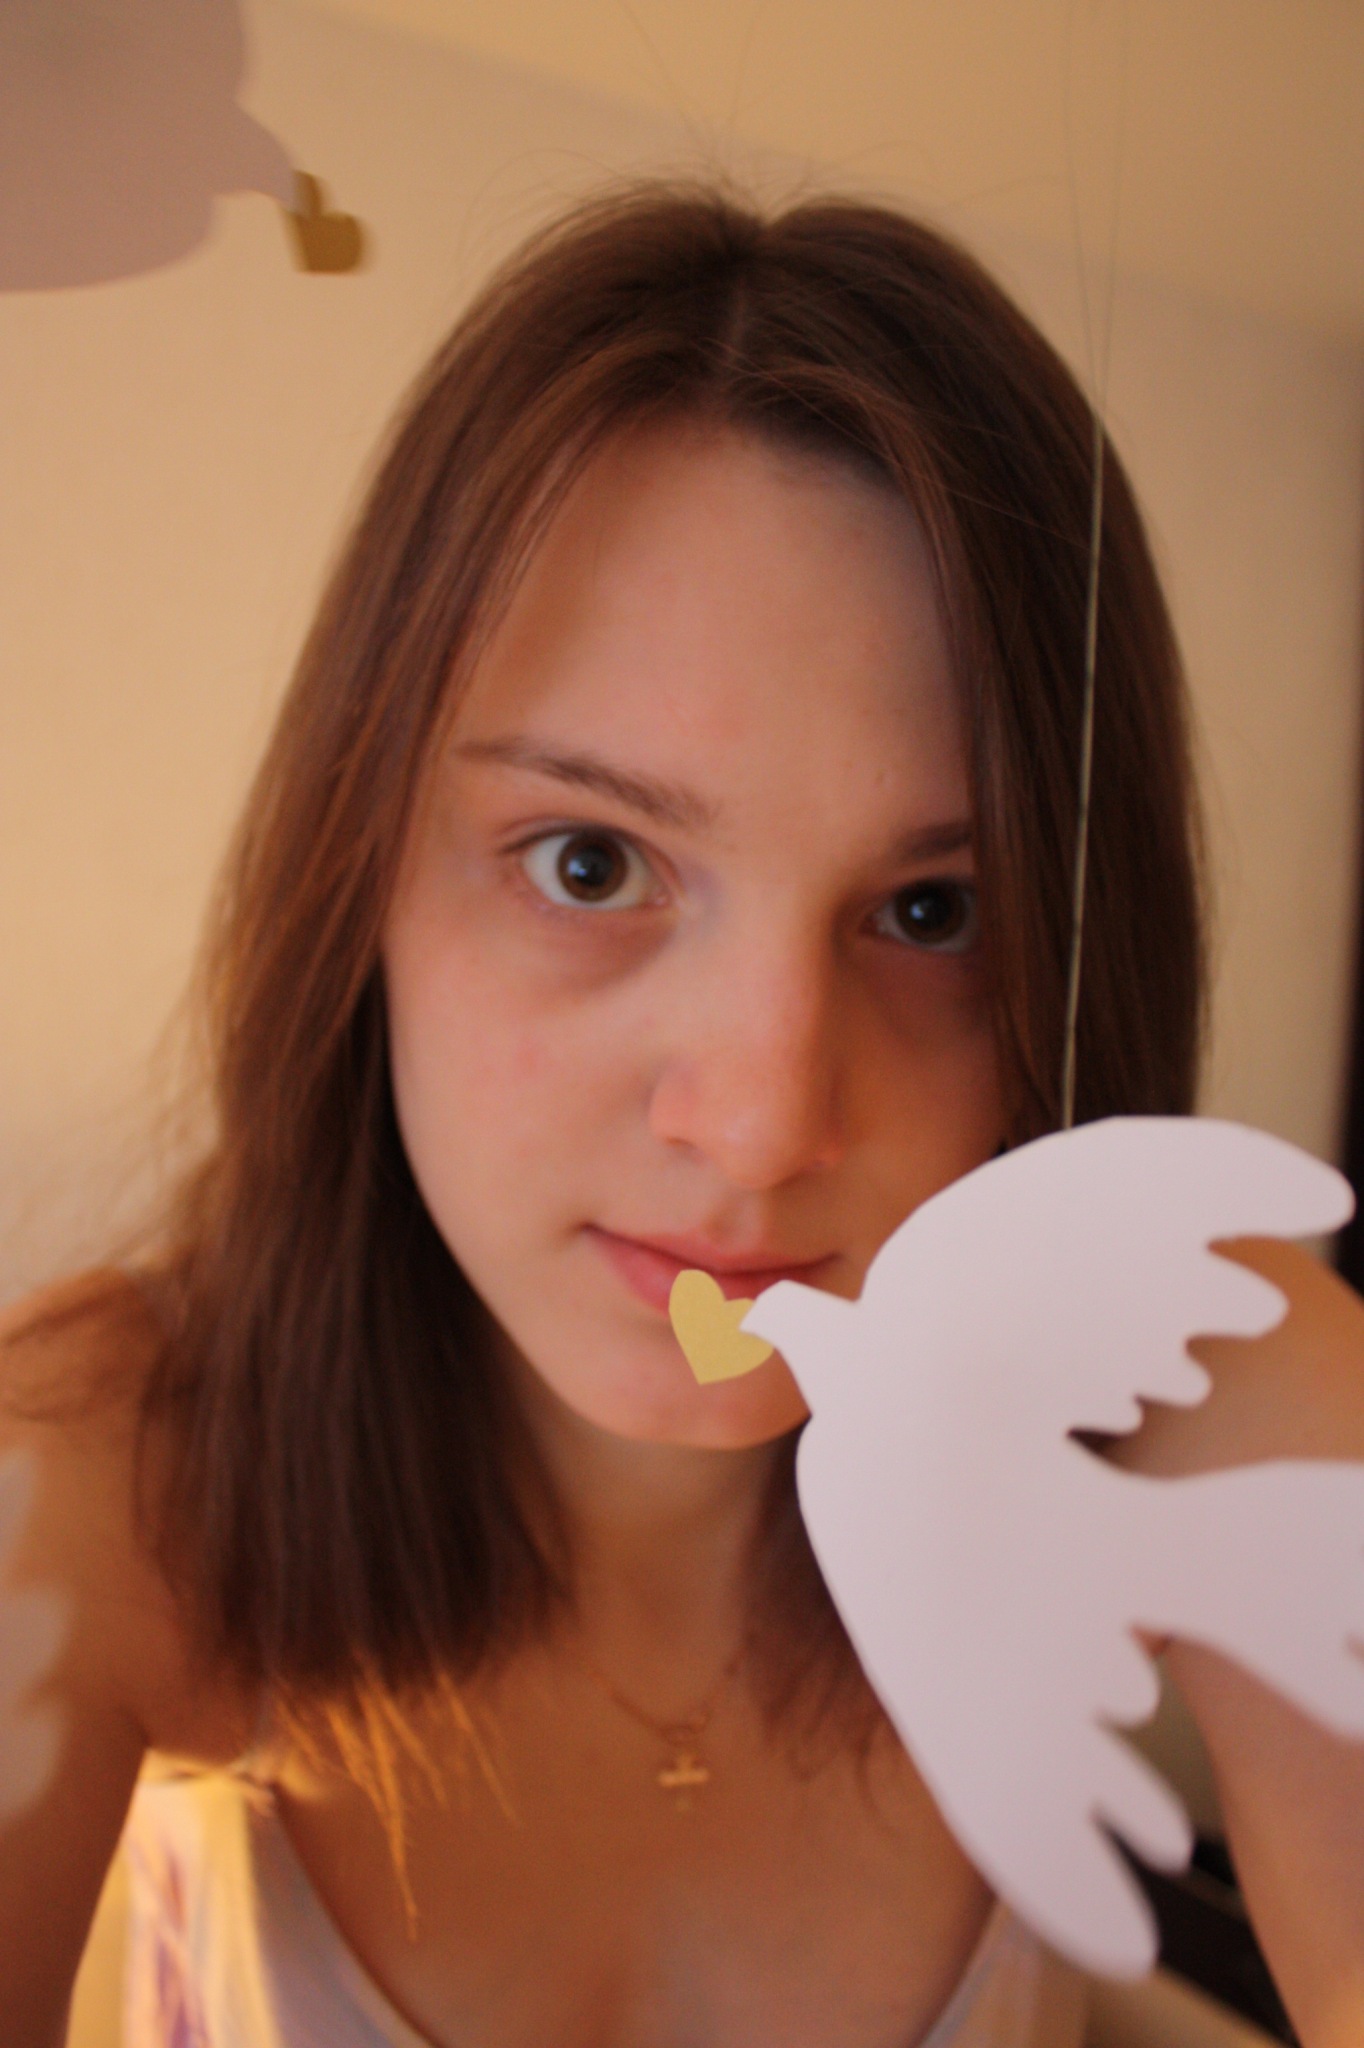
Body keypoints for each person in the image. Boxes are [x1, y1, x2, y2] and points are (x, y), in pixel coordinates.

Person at [3, 183, 1364, 2048]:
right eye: (590, 862)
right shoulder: (103, 1479)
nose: (760, 1125)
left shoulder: (1162, 1385)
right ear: (360, 876)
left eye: (932, 913)